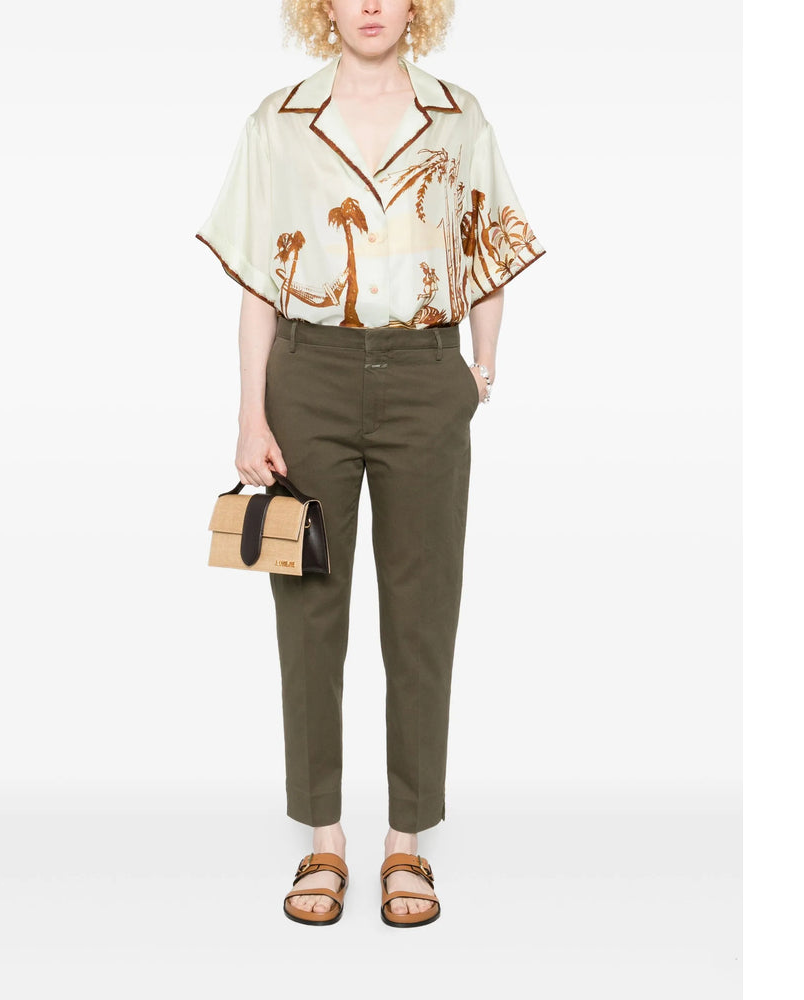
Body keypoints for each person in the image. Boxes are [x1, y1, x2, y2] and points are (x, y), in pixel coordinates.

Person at [195, 0, 545, 927]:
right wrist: (249, 412)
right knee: (309, 607)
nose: (373, 4)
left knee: (423, 609)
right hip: (307, 376)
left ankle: (406, 840)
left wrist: (480, 371)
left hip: (427, 375)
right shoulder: (278, 121)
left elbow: (490, 247)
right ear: (324, 7)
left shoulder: (459, 117)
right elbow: (256, 281)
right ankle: (324, 838)